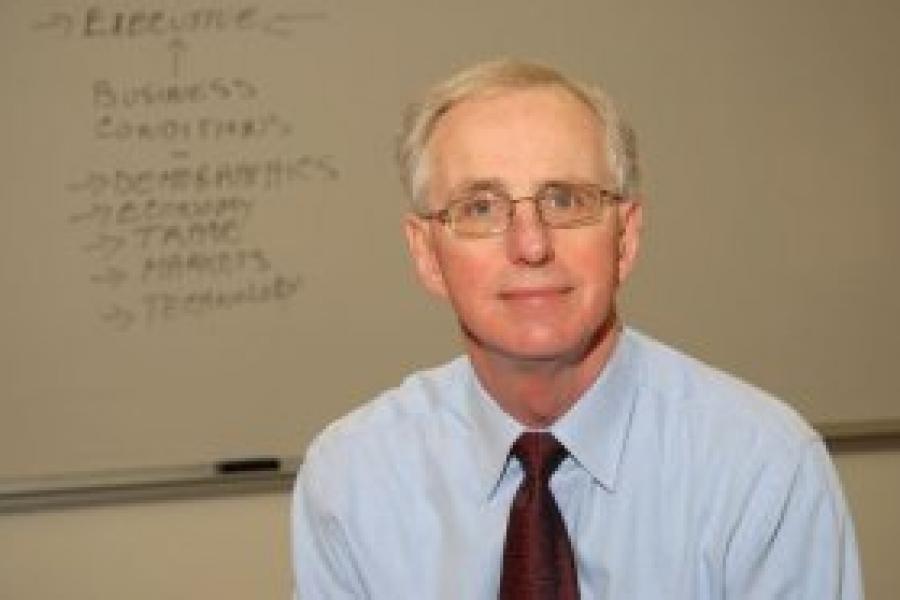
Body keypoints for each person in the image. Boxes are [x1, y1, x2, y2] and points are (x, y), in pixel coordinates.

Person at [291, 59, 862, 599]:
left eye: (565, 200)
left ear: (626, 237)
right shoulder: (352, 480)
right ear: (426, 254)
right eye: (481, 208)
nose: (532, 245)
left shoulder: (762, 467)